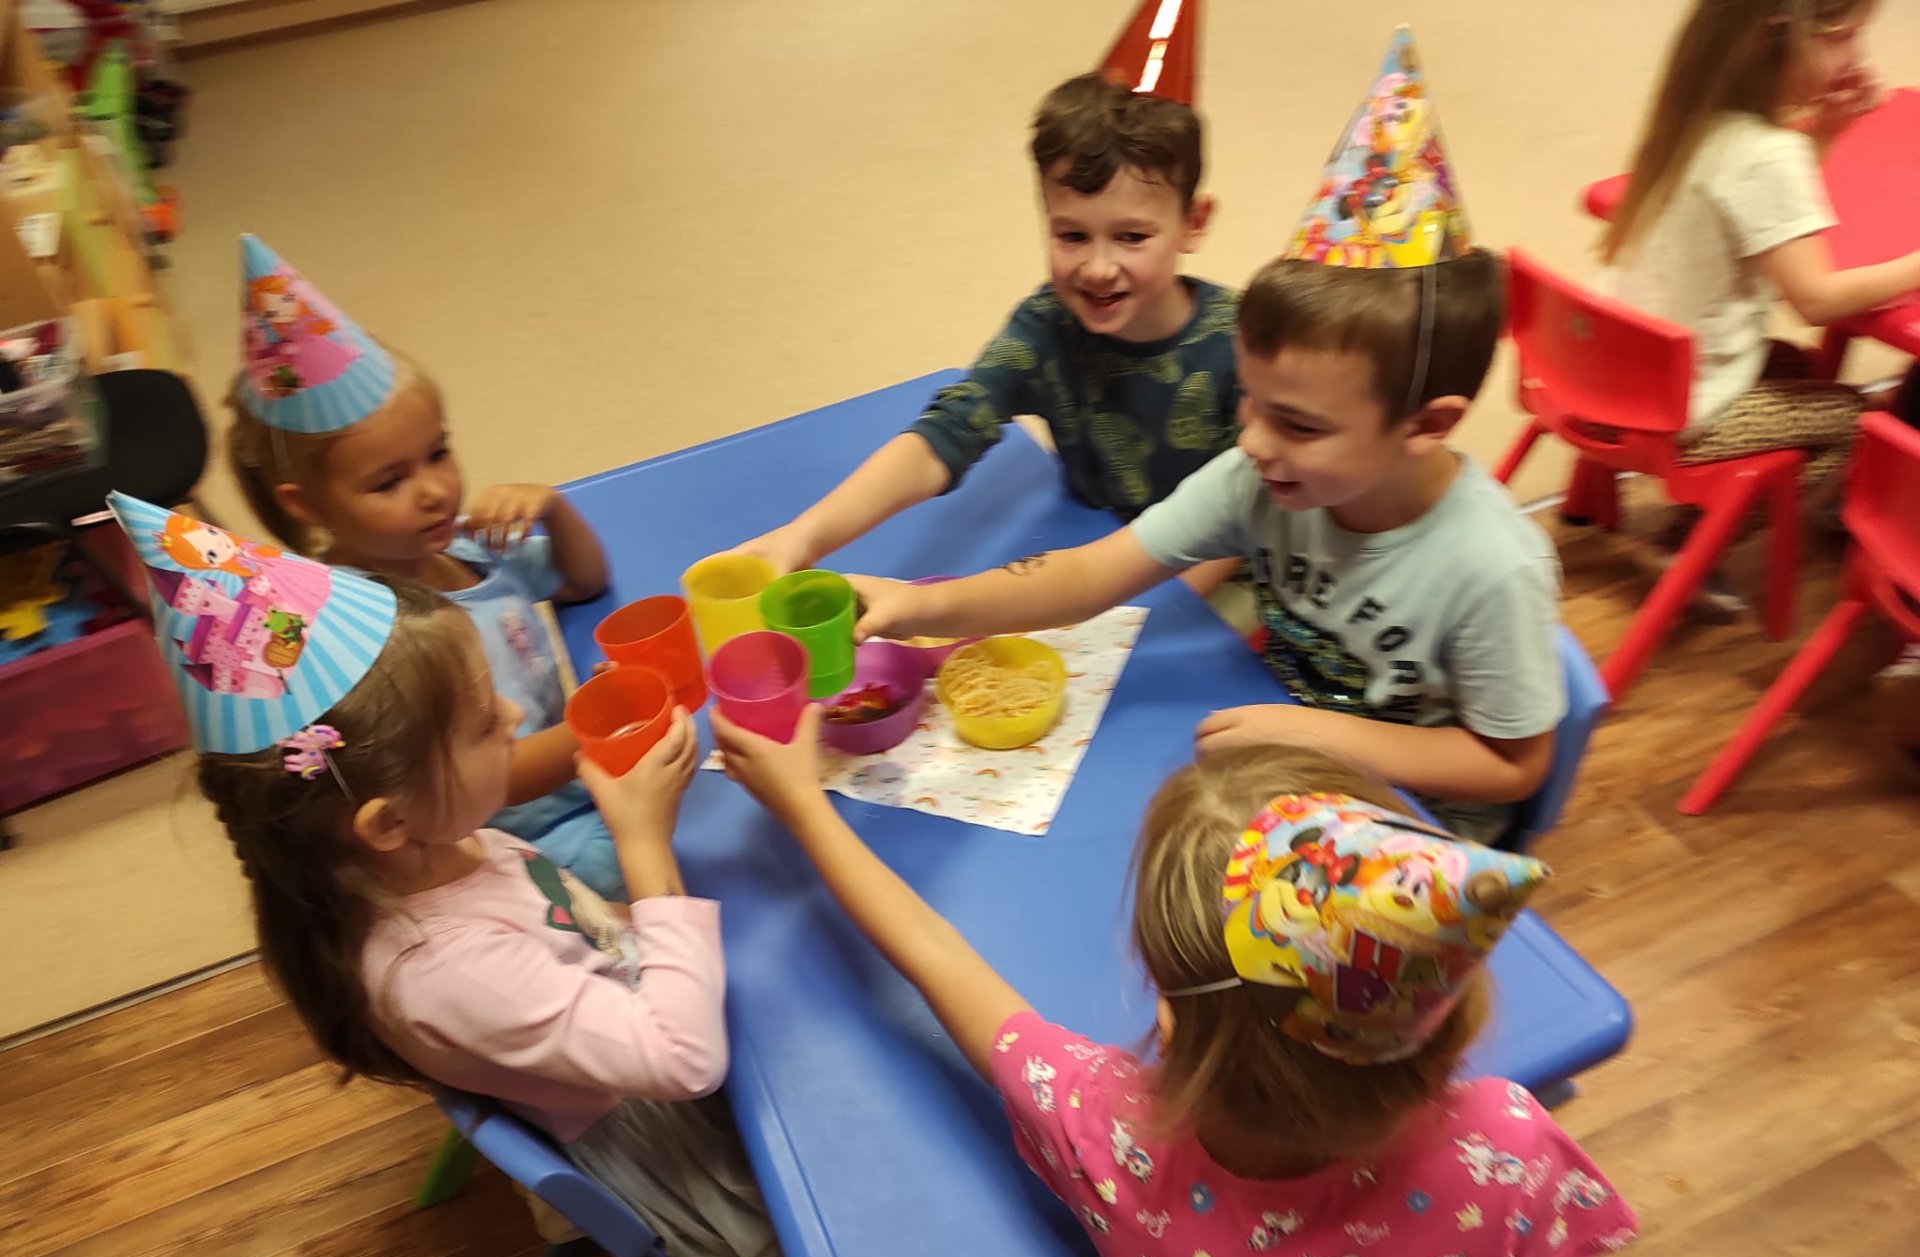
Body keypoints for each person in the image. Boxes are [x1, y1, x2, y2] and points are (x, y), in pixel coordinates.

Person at [714, 708, 1636, 1257]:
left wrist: (803, 805)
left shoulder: (1111, 1128)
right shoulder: (1509, 1141)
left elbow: (935, 958)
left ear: (1167, 1010)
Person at [850, 30, 1562, 845]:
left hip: (1412, 832)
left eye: (1297, 424)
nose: (1251, 440)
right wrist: (919, 606)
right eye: (1250, 402)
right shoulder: (1262, 477)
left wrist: (1315, 734)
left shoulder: (1492, 569)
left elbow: (1512, 765)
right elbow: (1088, 574)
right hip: (1280, 757)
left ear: (1426, 425)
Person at [110, 490, 776, 1257]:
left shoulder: (436, 846)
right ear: (388, 822)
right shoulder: (444, 970)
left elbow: (567, 923)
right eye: (483, 721)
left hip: (634, 1015)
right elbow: (684, 1061)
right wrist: (644, 842)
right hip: (688, 1135)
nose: (515, 715)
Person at [730, 0, 1242, 594]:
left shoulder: (1244, 346)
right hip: (1088, 555)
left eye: (1131, 237)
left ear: (1194, 223)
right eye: (1071, 235)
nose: (1099, 269)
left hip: (1207, 578)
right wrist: (805, 536)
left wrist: (1144, 612)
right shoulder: (1047, 326)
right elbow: (947, 432)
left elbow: (1242, 512)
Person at [226, 234, 629, 900]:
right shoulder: (379, 636)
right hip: (511, 849)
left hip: (580, 778)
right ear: (308, 505)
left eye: (438, 453)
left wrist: (554, 509)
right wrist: (607, 719)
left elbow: (585, 580)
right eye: (390, 482)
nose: (436, 491)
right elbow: (494, 780)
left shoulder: (468, 548)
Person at [1600, 0, 1920, 611]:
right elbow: (1817, 300)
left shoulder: (1698, 124)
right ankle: (1691, 542)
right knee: (1862, 427)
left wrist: (1825, 133)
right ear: (1772, 40)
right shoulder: (1766, 154)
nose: (1856, 57)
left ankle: (1722, 515)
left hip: (1623, 379)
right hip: (1681, 407)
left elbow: (1764, 210)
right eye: (1842, 37)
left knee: (1795, 367)